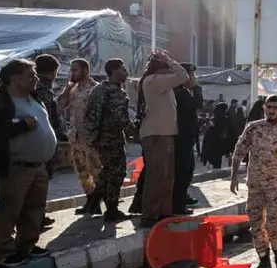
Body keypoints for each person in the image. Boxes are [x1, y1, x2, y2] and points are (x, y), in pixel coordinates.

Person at [0, 59, 56, 266]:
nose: (36, 79)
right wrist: (20, 125)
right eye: (31, 75)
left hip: (38, 166)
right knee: (9, 209)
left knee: (35, 208)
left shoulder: (34, 98)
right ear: (15, 78)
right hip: (16, 166)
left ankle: (27, 245)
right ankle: (3, 251)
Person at [230, 95, 277, 268]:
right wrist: (234, 177)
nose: (272, 111)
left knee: (274, 223)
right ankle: (264, 262)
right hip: (255, 185)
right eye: (269, 107)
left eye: (275, 108)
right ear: (264, 108)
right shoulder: (253, 128)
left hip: (275, 187)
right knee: (256, 224)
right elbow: (238, 152)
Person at [137, 51, 192, 228]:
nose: (170, 70)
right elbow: (183, 76)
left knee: (167, 177)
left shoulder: (163, 84)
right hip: (156, 134)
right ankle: (150, 215)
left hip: (165, 133)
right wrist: (170, 60)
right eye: (167, 67)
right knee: (157, 176)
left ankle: (163, 212)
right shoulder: (154, 80)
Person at [82, 59, 134, 222]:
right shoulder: (115, 92)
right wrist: (136, 131)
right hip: (112, 139)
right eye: (123, 69)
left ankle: (93, 201)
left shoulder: (98, 89)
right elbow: (120, 119)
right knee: (117, 173)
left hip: (98, 138)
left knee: (107, 170)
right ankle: (112, 210)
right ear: (114, 71)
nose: (126, 73)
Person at [57, 59, 101, 215]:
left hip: (91, 138)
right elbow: (60, 106)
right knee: (82, 172)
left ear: (85, 71)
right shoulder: (73, 90)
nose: (72, 73)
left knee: (96, 170)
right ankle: (90, 200)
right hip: (75, 138)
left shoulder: (95, 88)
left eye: (75, 70)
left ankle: (96, 202)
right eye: (71, 70)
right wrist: (67, 90)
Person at [173, 63, 201, 215]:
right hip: (181, 137)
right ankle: (178, 203)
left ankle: (182, 197)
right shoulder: (180, 92)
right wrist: (196, 88)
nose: (193, 78)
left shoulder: (183, 91)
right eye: (190, 75)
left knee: (188, 168)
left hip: (186, 136)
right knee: (182, 170)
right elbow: (198, 104)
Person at [199, 101, 233, 169]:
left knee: (216, 160)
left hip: (214, 142)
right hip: (218, 142)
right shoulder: (225, 118)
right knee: (217, 161)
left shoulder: (216, 118)